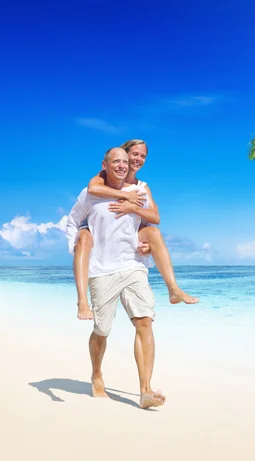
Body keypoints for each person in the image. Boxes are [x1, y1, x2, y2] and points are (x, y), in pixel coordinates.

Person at [65, 147, 165, 409]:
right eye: (116, 162)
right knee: (102, 330)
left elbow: (148, 223)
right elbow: (72, 222)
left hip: (132, 266)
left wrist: (145, 247)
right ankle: (97, 374)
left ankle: (145, 391)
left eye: (125, 161)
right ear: (105, 165)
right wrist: (76, 245)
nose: (122, 165)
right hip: (101, 269)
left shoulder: (139, 192)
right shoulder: (91, 193)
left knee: (144, 321)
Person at [73, 139, 198, 321]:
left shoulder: (142, 187)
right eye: (134, 154)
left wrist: (133, 208)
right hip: (99, 237)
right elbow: (93, 188)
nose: (138, 159)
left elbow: (155, 218)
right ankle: (82, 300)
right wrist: (125, 195)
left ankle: (173, 289)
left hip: (129, 243)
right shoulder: (102, 178)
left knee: (153, 232)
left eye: (143, 156)